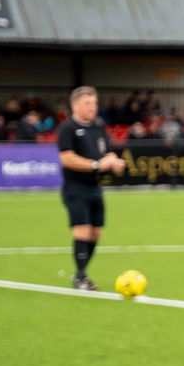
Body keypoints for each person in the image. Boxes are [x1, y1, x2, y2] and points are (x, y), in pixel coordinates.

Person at [56, 86, 125, 290]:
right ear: (75, 105)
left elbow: (107, 153)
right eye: (87, 103)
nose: (92, 107)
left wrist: (114, 162)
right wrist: (95, 165)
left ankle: (81, 274)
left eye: (94, 103)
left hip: (95, 187)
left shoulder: (98, 127)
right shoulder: (67, 128)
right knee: (83, 230)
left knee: (96, 233)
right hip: (75, 187)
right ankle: (80, 277)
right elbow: (66, 158)